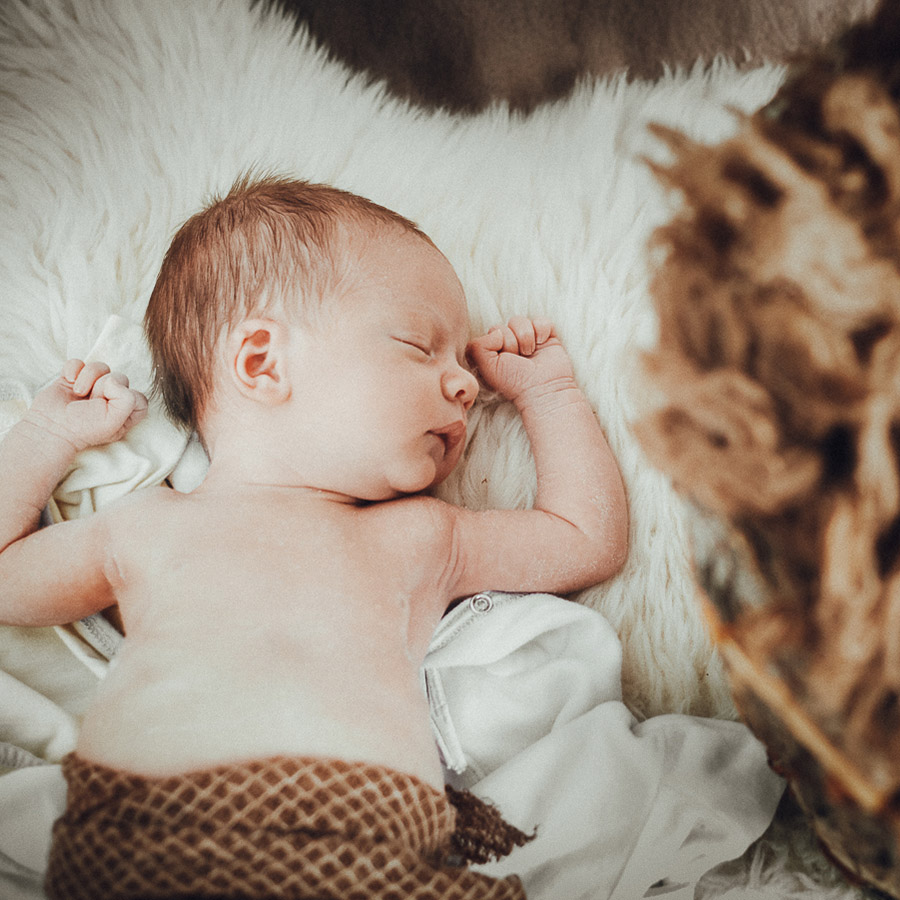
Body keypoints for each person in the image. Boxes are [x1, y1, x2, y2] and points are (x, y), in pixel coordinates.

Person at [0, 175, 628, 899]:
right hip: (145, 843)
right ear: (263, 363)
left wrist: (550, 395)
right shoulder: (148, 526)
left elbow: (586, 538)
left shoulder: (421, 536)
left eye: (462, 361)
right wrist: (45, 435)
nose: (464, 382)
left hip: (368, 859)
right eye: (421, 346)